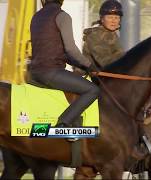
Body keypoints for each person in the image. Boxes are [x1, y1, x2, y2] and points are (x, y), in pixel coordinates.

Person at [80, 0, 151, 157]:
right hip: (89, 81)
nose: (114, 20)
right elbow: (108, 63)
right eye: (110, 16)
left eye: (117, 17)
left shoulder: (112, 36)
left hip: (106, 81)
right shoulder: (95, 35)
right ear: (102, 18)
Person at [29, 0, 100, 138]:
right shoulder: (62, 16)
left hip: (34, 72)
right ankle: (63, 124)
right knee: (93, 90)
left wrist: (81, 65)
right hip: (51, 72)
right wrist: (90, 65)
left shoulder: (36, 16)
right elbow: (71, 49)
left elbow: (58, 52)